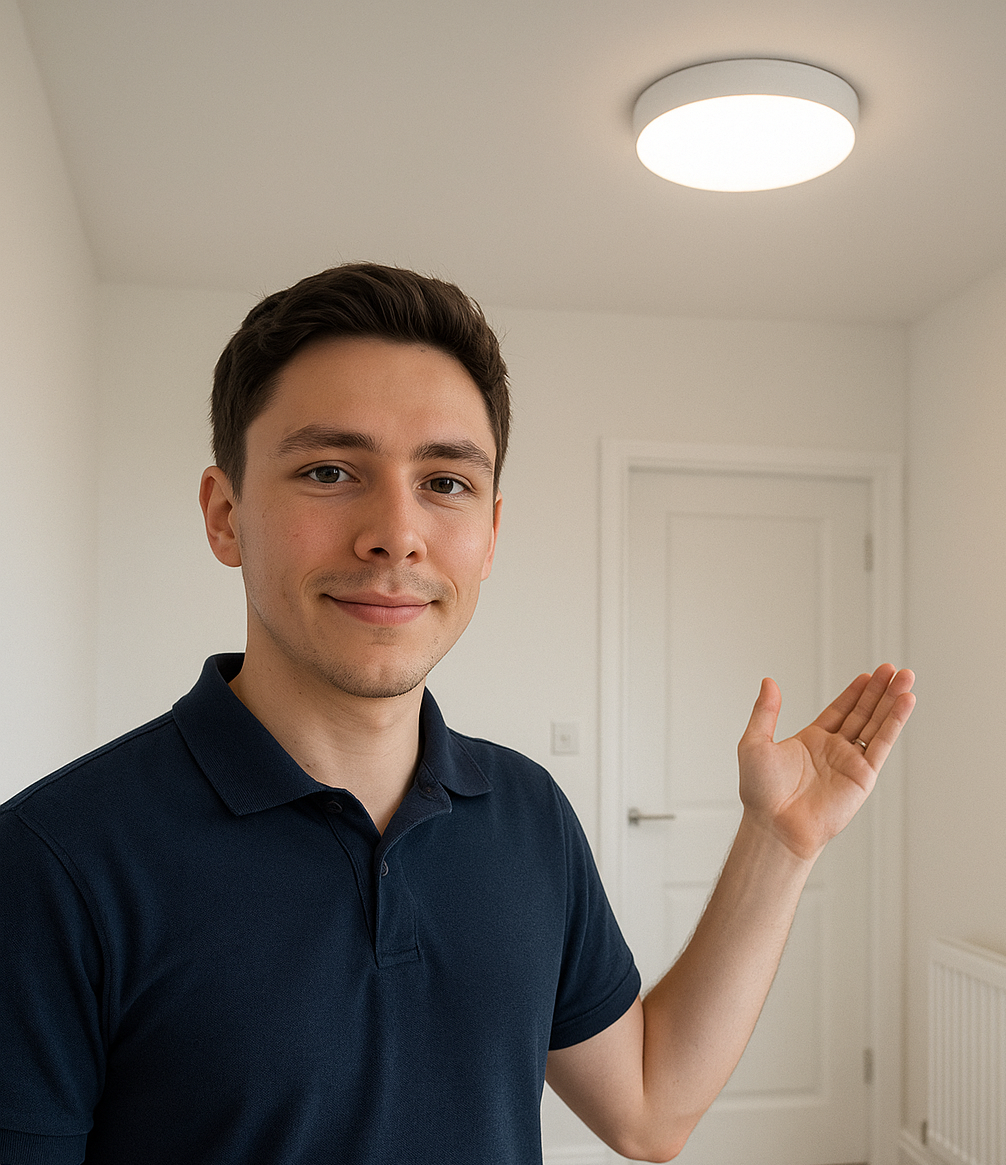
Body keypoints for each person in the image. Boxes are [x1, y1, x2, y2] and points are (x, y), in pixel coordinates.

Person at [0, 263, 915, 1165]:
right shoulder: (54, 861)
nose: (397, 534)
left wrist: (778, 843)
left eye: (445, 483)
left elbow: (649, 1107)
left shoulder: (527, 813)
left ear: (490, 536)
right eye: (330, 470)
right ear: (225, 514)